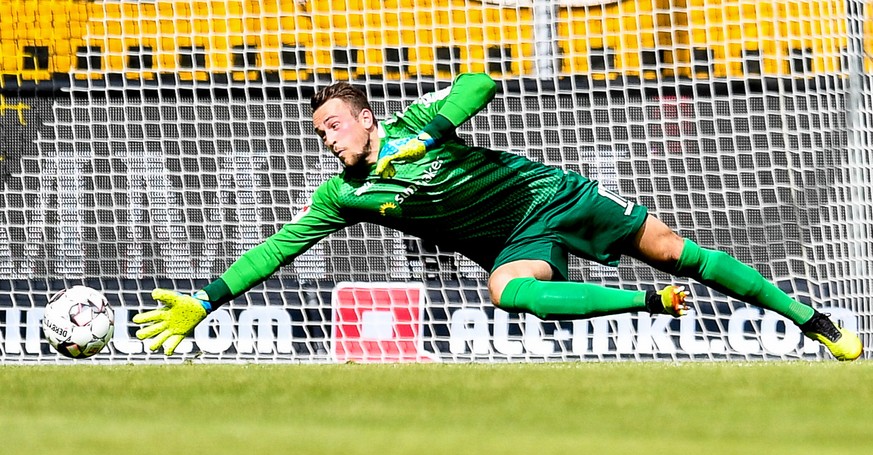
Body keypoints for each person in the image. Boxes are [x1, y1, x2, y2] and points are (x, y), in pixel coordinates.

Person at [133, 72, 863, 361]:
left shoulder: (415, 122)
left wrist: (431, 130)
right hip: (515, 241)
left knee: (679, 250)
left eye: (332, 125)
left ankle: (811, 321)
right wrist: (205, 300)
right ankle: (648, 303)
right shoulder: (342, 194)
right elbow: (275, 249)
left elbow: (478, 79)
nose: (327, 139)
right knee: (506, 293)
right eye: (320, 132)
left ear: (365, 118)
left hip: (550, 194)